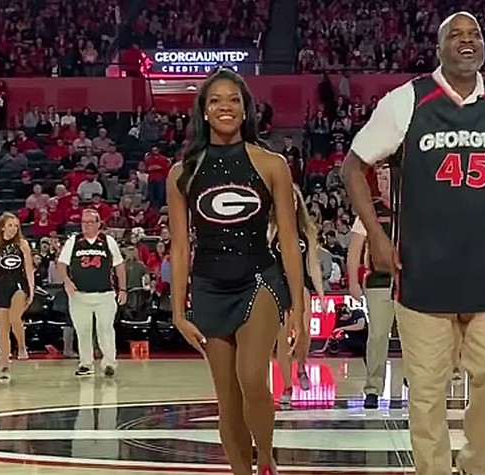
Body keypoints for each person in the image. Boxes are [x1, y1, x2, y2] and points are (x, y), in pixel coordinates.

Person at [340, 12, 485, 475]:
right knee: (428, 394)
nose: (466, 41)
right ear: (439, 47)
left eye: (474, 34)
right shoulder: (407, 100)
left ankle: (473, 466)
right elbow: (352, 166)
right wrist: (376, 234)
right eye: (455, 35)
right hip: (422, 274)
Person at [167, 68, 307, 475]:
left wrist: (298, 305)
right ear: (204, 111)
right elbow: (180, 246)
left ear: (246, 109)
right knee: (226, 399)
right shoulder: (183, 173)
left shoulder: (272, 164)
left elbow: (288, 240)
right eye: (216, 100)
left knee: (252, 380)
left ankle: (265, 458)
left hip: (259, 279)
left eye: (233, 99)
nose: (225, 106)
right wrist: (178, 311)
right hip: (209, 287)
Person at [345, 162, 400, 408]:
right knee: (378, 336)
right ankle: (373, 389)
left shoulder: (410, 209)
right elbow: (354, 249)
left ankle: (415, 382)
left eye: (388, 178)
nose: (384, 182)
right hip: (378, 281)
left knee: (415, 336)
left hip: (409, 281)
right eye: (381, 178)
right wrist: (354, 283)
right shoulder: (370, 211)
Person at [268, 187, 325, 409]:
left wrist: (319, 292)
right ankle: (287, 386)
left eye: (292, 199)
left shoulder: (306, 230)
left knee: (304, 331)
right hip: (278, 284)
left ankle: (301, 365)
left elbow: (313, 263)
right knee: (281, 339)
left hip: (301, 283)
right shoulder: (271, 228)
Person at [57, 209, 127, 377]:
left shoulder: (108, 241)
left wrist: (123, 288)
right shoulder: (73, 241)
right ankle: (86, 363)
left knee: (105, 329)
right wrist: (66, 281)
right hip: (79, 295)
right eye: (83, 222)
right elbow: (61, 264)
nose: (86, 225)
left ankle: (109, 363)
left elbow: (119, 266)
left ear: (98, 224)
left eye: (90, 222)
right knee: (83, 330)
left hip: (105, 294)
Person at [0, 212, 34, 382]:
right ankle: (4, 364)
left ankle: (21, 346)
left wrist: (32, 290)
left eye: (16, 226)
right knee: (3, 328)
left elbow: (28, 269)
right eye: (10, 225)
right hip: (1, 286)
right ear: (3, 226)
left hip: (19, 285)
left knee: (15, 318)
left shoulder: (22, 244)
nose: (13, 229)